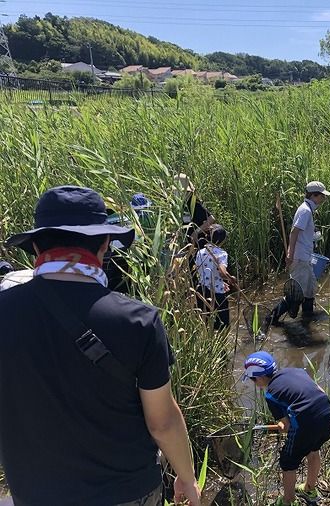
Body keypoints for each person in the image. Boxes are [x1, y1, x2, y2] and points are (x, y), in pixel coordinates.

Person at [0, 186, 200, 506]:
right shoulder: (138, 321)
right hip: (125, 492)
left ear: (35, 245)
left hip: (36, 494)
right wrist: (187, 478)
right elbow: (162, 423)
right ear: (105, 244)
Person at [244, 352, 330, 506]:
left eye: (253, 380)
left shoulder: (270, 394)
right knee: (313, 451)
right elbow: (320, 391)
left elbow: (286, 426)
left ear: (258, 378)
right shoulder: (295, 370)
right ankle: (309, 489)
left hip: (306, 425)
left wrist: (280, 426)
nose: (254, 383)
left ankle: (288, 501)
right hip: (326, 413)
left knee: (288, 462)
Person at [270, 181, 330, 324]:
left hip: (306, 257)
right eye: (322, 196)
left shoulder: (308, 209)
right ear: (314, 195)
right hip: (300, 258)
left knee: (310, 290)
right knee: (296, 293)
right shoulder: (305, 211)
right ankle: (271, 318)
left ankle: (307, 318)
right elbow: (294, 232)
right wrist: (290, 253)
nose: (324, 199)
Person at [195, 224, 236, 329]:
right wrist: (230, 278)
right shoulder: (222, 254)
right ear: (222, 240)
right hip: (216, 294)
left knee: (206, 324)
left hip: (201, 291)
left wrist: (222, 282)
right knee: (224, 326)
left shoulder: (200, 252)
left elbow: (202, 271)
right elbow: (222, 272)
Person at [174, 173, 215, 248]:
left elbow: (211, 218)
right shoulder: (177, 205)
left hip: (198, 243)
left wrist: (196, 232)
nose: (175, 193)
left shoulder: (194, 204)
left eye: (176, 191)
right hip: (185, 243)